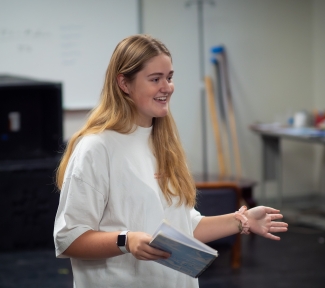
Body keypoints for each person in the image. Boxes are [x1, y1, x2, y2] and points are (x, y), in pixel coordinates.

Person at [54, 34, 288, 288]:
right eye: (155, 79)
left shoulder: (165, 144)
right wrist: (126, 241)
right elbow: (69, 238)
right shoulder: (96, 148)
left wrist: (241, 221)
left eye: (169, 77)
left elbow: (185, 226)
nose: (167, 87)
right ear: (124, 83)